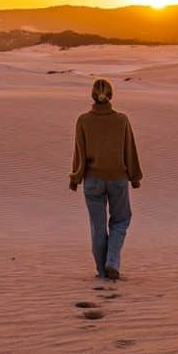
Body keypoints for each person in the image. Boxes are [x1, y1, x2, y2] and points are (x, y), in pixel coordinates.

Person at [69, 78, 142, 280]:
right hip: (117, 179)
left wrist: (75, 178)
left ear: (93, 96)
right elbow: (130, 150)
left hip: (92, 181)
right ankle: (112, 262)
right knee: (121, 220)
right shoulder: (122, 120)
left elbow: (79, 153)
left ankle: (102, 272)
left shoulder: (83, 120)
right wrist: (134, 177)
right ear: (111, 96)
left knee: (97, 227)